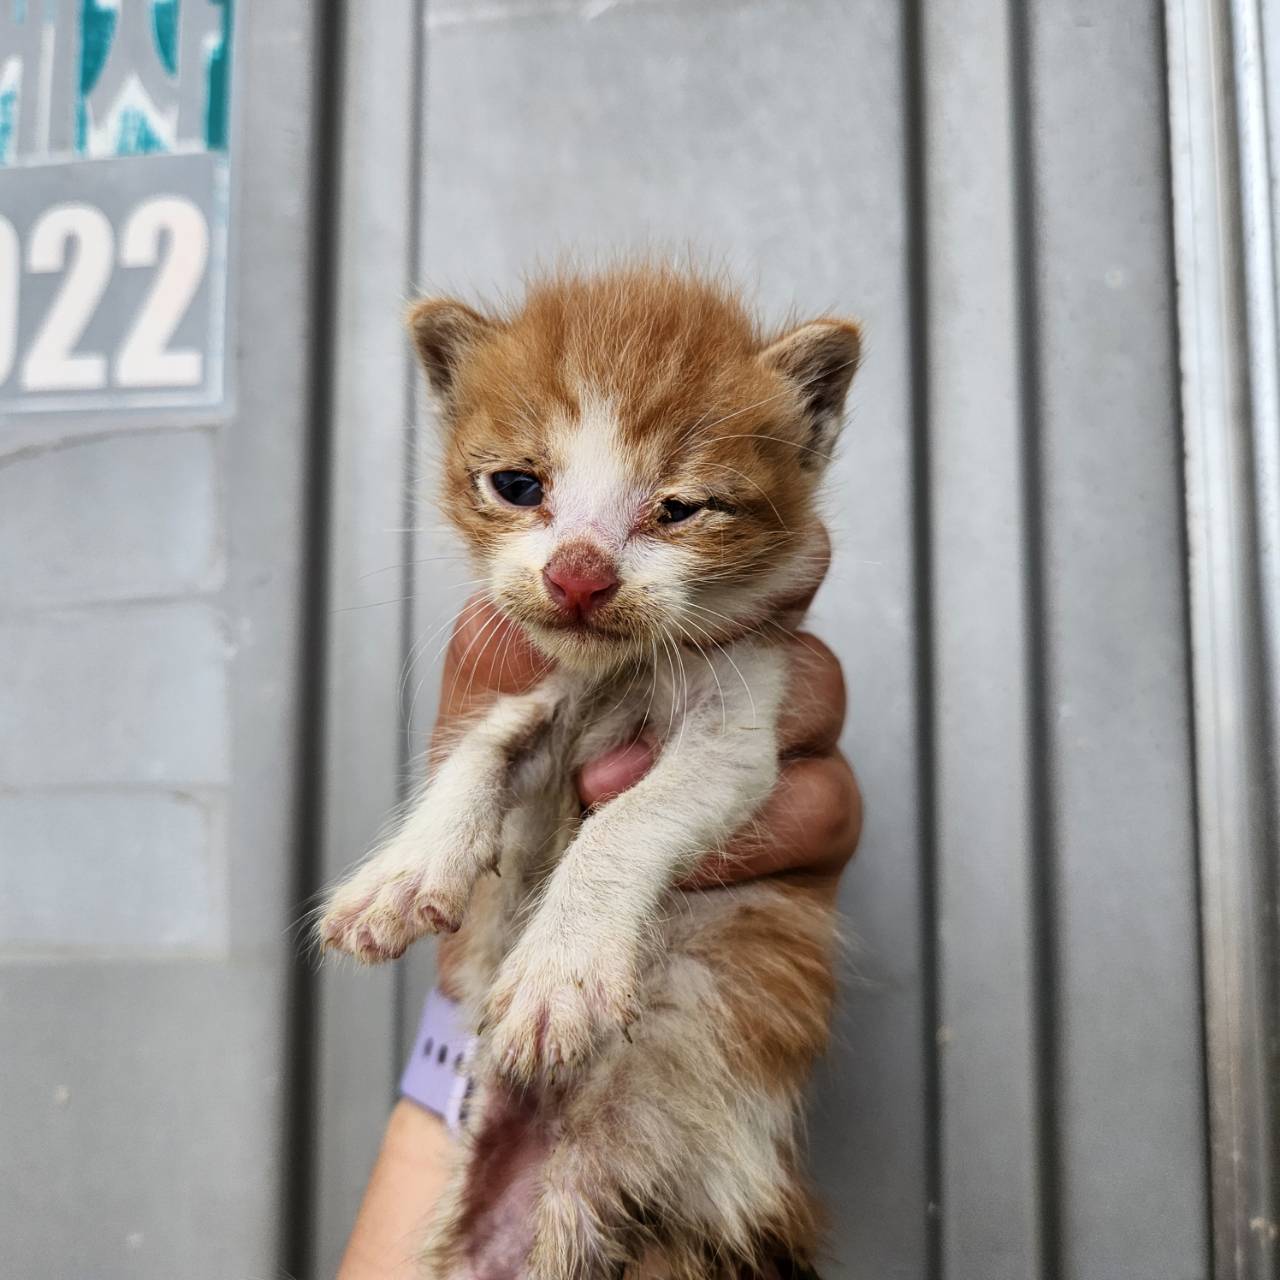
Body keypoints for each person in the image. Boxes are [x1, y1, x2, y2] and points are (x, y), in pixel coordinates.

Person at [337, 585, 862, 1280]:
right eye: (522, 488)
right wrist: (460, 1019)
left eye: (674, 508)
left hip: (670, 1079)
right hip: (551, 1044)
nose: (576, 577)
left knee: (610, 1220)